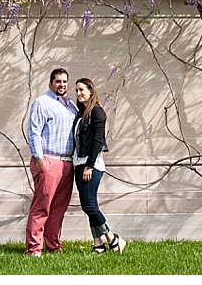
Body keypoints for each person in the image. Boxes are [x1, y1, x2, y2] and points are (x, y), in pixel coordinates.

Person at [25, 67, 78, 257]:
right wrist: (39, 160)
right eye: (58, 81)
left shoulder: (71, 105)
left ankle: (54, 246)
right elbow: (34, 131)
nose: (61, 85)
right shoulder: (42, 102)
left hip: (67, 163)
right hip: (48, 160)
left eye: (64, 81)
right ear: (51, 83)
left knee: (58, 209)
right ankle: (33, 249)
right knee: (42, 207)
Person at [72, 77, 127, 254]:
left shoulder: (97, 112)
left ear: (91, 91)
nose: (79, 93)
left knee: (89, 206)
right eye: (77, 90)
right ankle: (98, 245)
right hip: (78, 163)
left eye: (82, 90)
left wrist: (89, 165)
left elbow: (97, 140)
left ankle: (112, 238)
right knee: (89, 205)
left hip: (91, 165)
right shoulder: (80, 114)